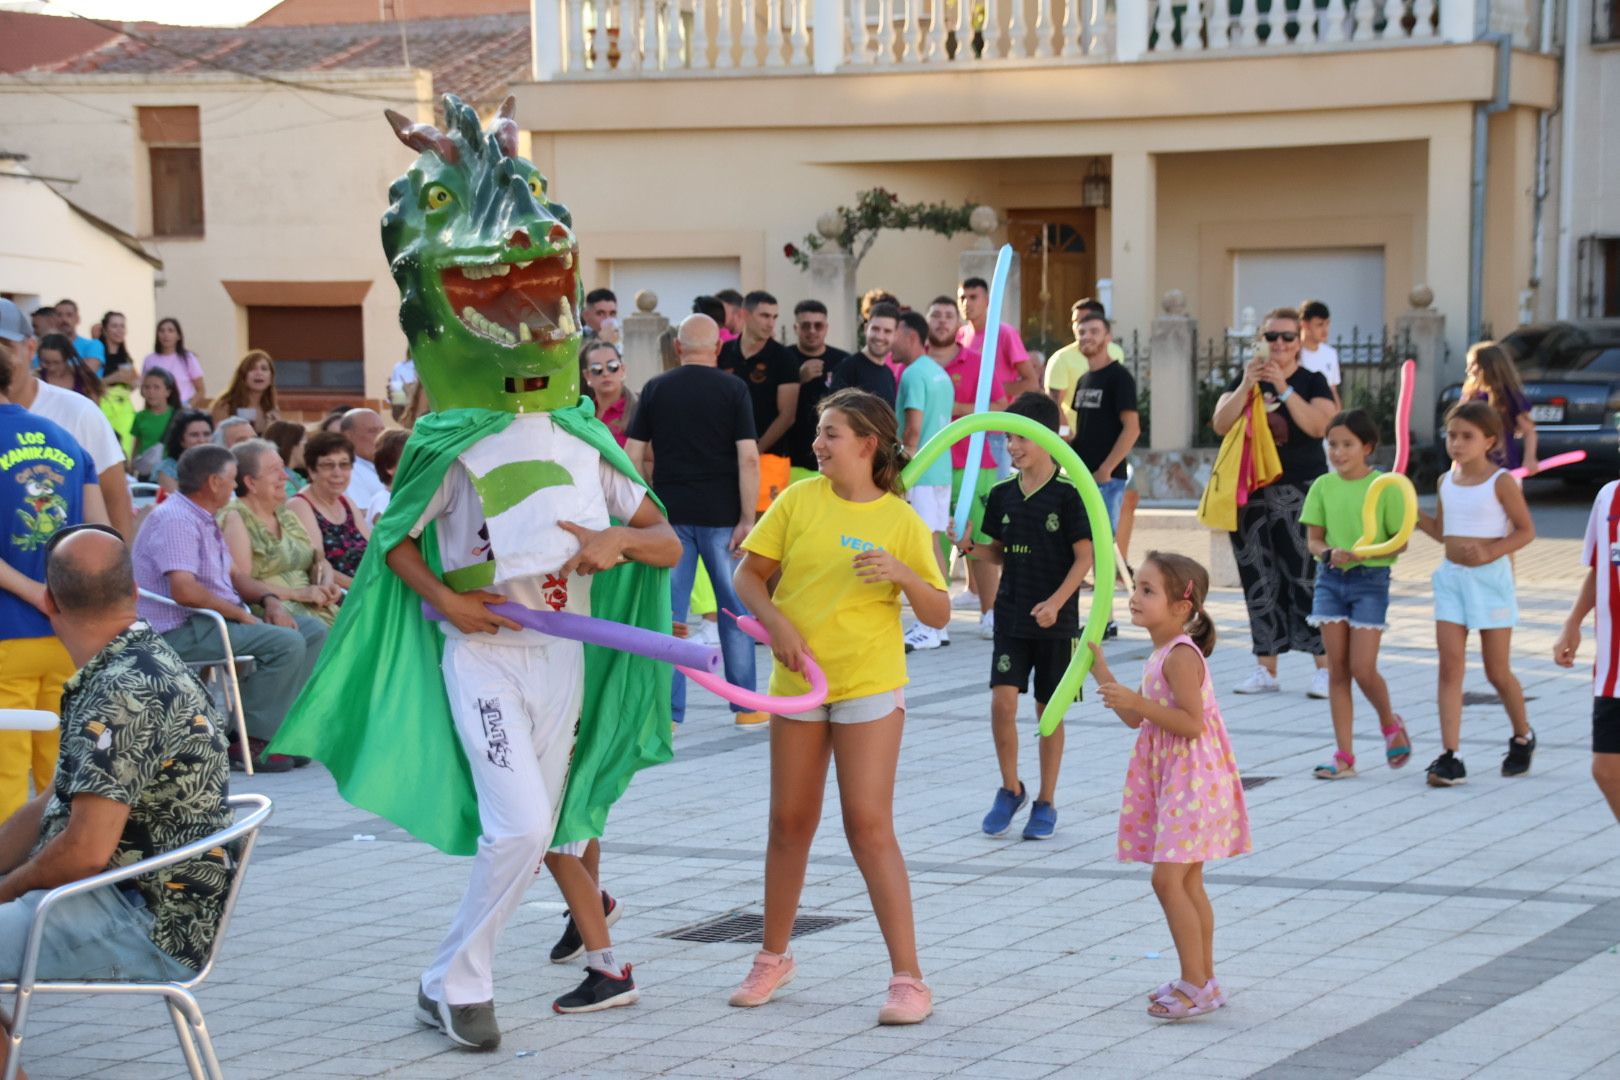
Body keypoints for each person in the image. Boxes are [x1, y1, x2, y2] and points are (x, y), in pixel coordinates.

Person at [730, 388, 948, 1025]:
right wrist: (776, 626)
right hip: (799, 684)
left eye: (829, 434)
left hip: (869, 685)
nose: (817, 444)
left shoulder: (902, 520)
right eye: (819, 433)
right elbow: (747, 575)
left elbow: (939, 612)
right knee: (789, 823)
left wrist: (906, 576)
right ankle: (772, 956)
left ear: (867, 444)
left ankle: (909, 980)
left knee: (867, 826)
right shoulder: (798, 499)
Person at [0, 526, 232, 1080]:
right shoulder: (136, 660)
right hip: (136, 900)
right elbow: (57, 801)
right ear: (132, 590)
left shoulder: (121, 691)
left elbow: (83, 853)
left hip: (141, 920)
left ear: (49, 601)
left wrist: (4, 888)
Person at [1090, 551, 1251, 1019]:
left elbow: (1191, 723)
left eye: (1147, 590)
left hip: (1193, 784)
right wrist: (1100, 669)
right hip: (1180, 784)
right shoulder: (1161, 652)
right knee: (1189, 882)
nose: (1133, 597)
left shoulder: (1181, 655)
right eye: (1135, 587)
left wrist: (1136, 699)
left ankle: (1196, 983)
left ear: (1182, 606)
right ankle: (1203, 979)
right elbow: (1133, 717)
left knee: (1167, 880)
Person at [133, 443, 324, 772]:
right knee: (286, 643)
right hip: (178, 628)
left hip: (210, 621)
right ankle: (250, 739)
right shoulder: (176, 518)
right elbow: (184, 590)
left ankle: (267, 729)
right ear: (213, 483)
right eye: (232, 479)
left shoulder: (204, 518)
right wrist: (240, 614)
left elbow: (236, 576)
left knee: (313, 632)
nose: (236, 487)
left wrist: (270, 601)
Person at [959, 393, 1091, 840]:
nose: (1012, 446)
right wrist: (970, 550)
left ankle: (1047, 800)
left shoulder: (1071, 496)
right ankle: (1010, 786)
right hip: (1012, 615)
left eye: (1020, 437)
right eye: (1007, 437)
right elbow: (997, 551)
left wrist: (1056, 602)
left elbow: (1084, 559)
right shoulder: (1001, 495)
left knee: (1048, 712)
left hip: (1058, 623)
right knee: (1002, 700)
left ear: (1047, 437)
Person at [625, 314, 763, 727]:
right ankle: (746, 707)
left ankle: (669, 713)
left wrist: (645, 504)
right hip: (722, 516)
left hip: (671, 518)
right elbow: (749, 458)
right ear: (717, 349)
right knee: (734, 612)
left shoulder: (655, 389)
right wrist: (747, 517)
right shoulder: (734, 389)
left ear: (678, 349)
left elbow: (631, 454)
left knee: (671, 616)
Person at [0, 339, 107, 820]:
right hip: (65, 633)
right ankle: (58, 879)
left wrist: (34, 593)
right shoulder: (66, 440)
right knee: (59, 770)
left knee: (5, 773)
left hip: (7, 633)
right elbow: (100, 537)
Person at [1209, 307, 1335, 698]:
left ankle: (1325, 666)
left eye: (1287, 338)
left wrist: (1284, 388)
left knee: (1305, 576)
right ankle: (1266, 667)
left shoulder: (1312, 380)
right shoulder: (1247, 378)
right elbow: (1220, 423)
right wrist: (1248, 384)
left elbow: (1320, 425)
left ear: (1299, 342)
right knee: (1258, 578)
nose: (1278, 345)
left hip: (1300, 491)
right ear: (1261, 340)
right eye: (1271, 337)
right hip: (1251, 495)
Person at [1414, 402, 1536, 787]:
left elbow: (1525, 530)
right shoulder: (1445, 481)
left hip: (1490, 582)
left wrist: (1489, 551)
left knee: (1496, 670)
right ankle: (1452, 755)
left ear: (1490, 440)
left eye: (1467, 436)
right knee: (1450, 667)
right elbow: (1443, 532)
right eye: (1452, 435)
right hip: (1451, 580)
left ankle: (1523, 736)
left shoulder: (1500, 481)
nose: (1457, 443)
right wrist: (1412, 513)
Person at [1300, 410, 1413, 780]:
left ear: (1367, 447)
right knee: (1338, 670)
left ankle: (1389, 723)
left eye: (1347, 444)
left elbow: (1401, 540)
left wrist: (1367, 553)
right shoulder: (1322, 487)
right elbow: (1314, 540)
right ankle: (1344, 755)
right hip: (1330, 580)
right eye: (1332, 444)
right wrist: (1329, 553)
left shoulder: (1385, 486)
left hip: (1371, 581)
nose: (1338, 452)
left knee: (1363, 668)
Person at [0, 299, 134, 540]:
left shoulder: (78, 412)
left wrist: (121, 570)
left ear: (31, 349)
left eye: (5, 346)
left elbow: (115, 500)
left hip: (64, 572)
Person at [936, 296, 1008, 639]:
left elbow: (999, 406)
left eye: (948, 315)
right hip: (931, 466)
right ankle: (934, 618)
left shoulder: (978, 361)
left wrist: (957, 410)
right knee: (931, 538)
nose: (941, 321)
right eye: (935, 315)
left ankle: (990, 613)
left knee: (978, 538)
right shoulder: (913, 364)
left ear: (957, 323)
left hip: (975, 463)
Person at [1063, 310, 1139, 637]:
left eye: (1094, 331)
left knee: (1101, 550)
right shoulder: (1083, 380)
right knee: (1080, 546)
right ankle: (1086, 618)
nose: (1087, 337)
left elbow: (1132, 428)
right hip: (1080, 479)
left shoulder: (1119, 377)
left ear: (1107, 336)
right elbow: (1084, 432)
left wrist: (1107, 468)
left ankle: (1106, 621)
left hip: (1107, 481)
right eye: (1081, 332)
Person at [1552, 473, 1620, 821]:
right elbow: (1600, 568)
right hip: (1614, 669)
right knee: (1605, 769)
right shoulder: (1608, 497)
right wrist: (1572, 623)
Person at [220, 439, 341, 629]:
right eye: (274, 470)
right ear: (251, 482)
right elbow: (241, 583)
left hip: (314, 605)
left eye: (282, 468)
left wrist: (326, 582)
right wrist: (299, 594)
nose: (284, 476)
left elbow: (319, 559)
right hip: (272, 612)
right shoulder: (235, 518)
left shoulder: (286, 514)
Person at [893, 309, 954, 652]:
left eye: (896, 335)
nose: (890, 341)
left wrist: (902, 470)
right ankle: (937, 624)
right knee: (930, 541)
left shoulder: (914, 375)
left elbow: (913, 428)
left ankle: (931, 624)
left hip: (922, 471)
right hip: (939, 469)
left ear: (911, 337)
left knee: (925, 544)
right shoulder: (938, 373)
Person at [718, 291, 799, 504]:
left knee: (763, 525)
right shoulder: (723, 352)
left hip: (769, 457)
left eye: (774, 317)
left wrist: (754, 451)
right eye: (764, 316)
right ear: (745, 315)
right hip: (725, 457)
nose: (770, 323)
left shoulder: (784, 358)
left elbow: (787, 415)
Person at [288, 430, 371, 589]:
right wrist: (363, 591)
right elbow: (317, 565)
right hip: (339, 594)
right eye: (328, 465)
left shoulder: (345, 502)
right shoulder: (300, 505)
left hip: (368, 587)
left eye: (344, 465)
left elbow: (372, 550)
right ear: (312, 471)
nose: (337, 473)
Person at [784, 299, 848, 484]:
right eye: (805, 326)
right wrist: (798, 379)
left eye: (818, 325)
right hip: (791, 456)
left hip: (833, 454)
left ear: (826, 328)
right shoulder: (783, 358)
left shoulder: (843, 361)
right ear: (796, 328)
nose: (812, 331)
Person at [1044, 297, 1127, 436]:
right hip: (1074, 441)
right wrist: (1066, 437)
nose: (1079, 326)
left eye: (1084, 320)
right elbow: (1054, 404)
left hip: (1108, 438)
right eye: (1075, 321)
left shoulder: (1116, 352)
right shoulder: (1061, 359)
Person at [1461, 342, 1538, 474]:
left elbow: (1529, 431)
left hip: (1503, 468)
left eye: (1473, 364)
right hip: (1472, 468)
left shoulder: (1509, 395)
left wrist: (1529, 458)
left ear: (1489, 367)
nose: (1468, 370)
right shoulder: (1470, 396)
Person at [830, 301, 899, 407]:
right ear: (866, 329)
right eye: (875, 329)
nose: (880, 337)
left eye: (887, 331)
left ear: (895, 335)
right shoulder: (848, 368)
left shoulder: (888, 374)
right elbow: (833, 413)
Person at [211, 350, 280, 435]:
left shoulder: (271, 407)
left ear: (271, 378)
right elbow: (218, 439)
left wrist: (275, 428)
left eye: (264, 369)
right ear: (243, 376)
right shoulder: (225, 405)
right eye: (252, 369)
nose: (259, 373)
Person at [581, 340, 636, 447]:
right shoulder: (582, 414)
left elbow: (652, 460)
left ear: (623, 369)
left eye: (612, 366)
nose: (606, 373)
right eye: (596, 369)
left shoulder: (638, 411)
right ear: (587, 375)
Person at [142, 318, 206, 406]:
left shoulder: (187, 358)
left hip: (182, 406)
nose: (166, 335)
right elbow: (144, 387)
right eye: (162, 331)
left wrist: (188, 407)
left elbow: (200, 390)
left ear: (178, 336)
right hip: (157, 409)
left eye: (170, 331)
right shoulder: (150, 359)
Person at [131, 367, 182, 476]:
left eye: (156, 387)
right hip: (146, 472)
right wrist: (132, 469)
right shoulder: (140, 417)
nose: (151, 392)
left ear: (168, 392)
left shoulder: (178, 416)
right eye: (147, 387)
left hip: (169, 472)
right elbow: (137, 445)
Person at [153, 411, 214, 494]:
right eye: (194, 435)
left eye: (206, 434)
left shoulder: (219, 465)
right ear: (181, 441)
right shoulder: (167, 469)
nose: (202, 440)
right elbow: (180, 502)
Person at [338, 408, 388, 509]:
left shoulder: (384, 465)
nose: (381, 436)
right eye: (372, 431)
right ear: (348, 436)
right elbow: (364, 515)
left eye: (383, 430)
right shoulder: (348, 471)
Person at [1297, 299, 1342, 410]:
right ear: (1305, 325)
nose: (1325, 330)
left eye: (1327, 324)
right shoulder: (1293, 352)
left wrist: (1338, 417)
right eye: (1319, 325)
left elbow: (1332, 390)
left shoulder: (1330, 353)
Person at [35, 334, 102, 401]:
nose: (51, 368)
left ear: (67, 358)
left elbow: (94, 406)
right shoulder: (36, 379)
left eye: (57, 363)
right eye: (46, 362)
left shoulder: (84, 377)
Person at [365, 428, 409, 526]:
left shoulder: (407, 498)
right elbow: (396, 535)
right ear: (389, 467)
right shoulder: (382, 502)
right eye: (411, 460)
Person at [51, 298, 105, 375]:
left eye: (69, 315)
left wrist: (51, 368)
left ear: (78, 319)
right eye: (59, 315)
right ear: (54, 320)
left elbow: (88, 371)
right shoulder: (47, 347)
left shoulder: (93, 345)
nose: (64, 319)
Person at [263, 419, 310, 497]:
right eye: (305, 443)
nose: (309, 448)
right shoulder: (282, 482)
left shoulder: (294, 476)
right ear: (292, 446)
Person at [97, 310, 138, 388]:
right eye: (114, 326)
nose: (119, 330)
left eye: (122, 326)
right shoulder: (97, 354)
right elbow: (88, 384)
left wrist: (135, 381)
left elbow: (134, 385)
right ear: (105, 330)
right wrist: (113, 378)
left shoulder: (126, 356)